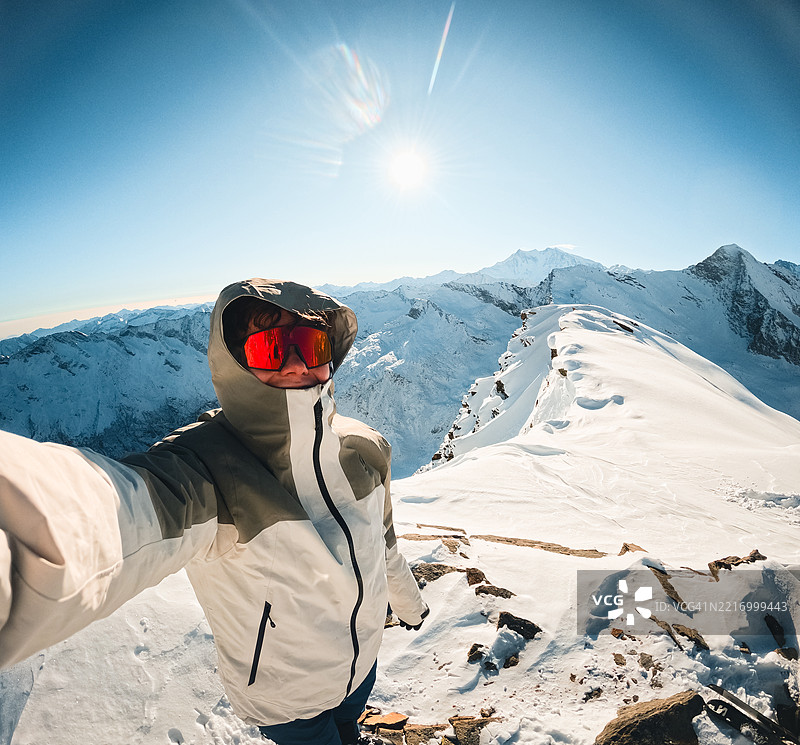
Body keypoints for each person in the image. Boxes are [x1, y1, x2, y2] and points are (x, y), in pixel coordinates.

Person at [0, 279, 429, 745]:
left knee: (349, 726)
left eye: (311, 342)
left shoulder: (365, 448)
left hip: (362, 663)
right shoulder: (204, 468)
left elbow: (384, 547)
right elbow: (107, 514)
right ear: (235, 363)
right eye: (269, 348)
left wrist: (411, 606)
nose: (296, 363)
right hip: (287, 700)